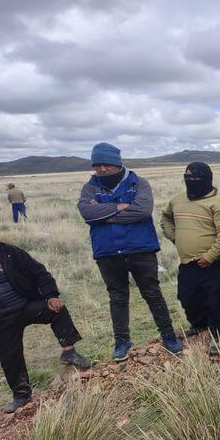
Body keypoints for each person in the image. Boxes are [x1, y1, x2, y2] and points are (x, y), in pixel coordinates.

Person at [0, 216, 92, 413]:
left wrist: (51, 295)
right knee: (10, 358)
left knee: (56, 308)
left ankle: (69, 352)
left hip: (23, 307)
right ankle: (21, 395)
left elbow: (38, 272)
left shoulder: (7, 252)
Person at [77, 142, 182, 361]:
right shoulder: (90, 187)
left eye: (107, 164)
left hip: (140, 249)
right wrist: (120, 207)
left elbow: (143, 210)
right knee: (117, 296)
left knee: (152, 293)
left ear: (117, 163)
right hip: (107, 252)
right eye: (97, 165)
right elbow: (86, 212)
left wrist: (105, 214)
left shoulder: (139, 183)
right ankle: (122, 341)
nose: (102, 169)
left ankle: (168, 335)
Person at [161, 162, 220, 350]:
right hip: (187, 262)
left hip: (214, 264)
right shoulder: (177, 200)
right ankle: (200, 325)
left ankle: (219, 334)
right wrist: (175, 237)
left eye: (196, 178)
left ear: (207, 179)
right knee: (187, 297)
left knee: (216, 300)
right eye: (188, 177)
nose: (191, 181)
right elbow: (165, 218)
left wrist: (210, 256)